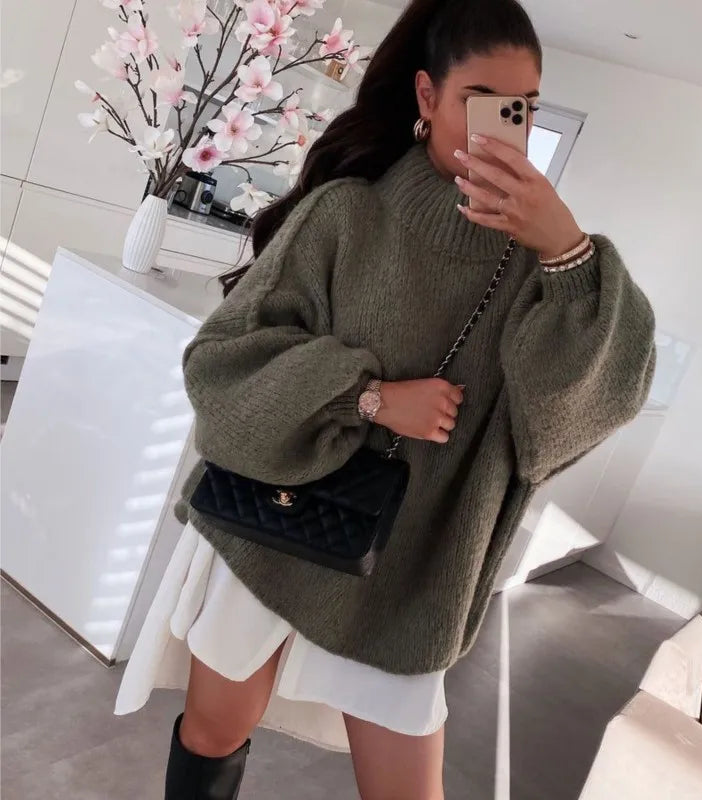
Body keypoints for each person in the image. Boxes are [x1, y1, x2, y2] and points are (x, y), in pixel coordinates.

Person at [114, 0, 657, 797]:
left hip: (415, 575)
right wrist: (365, 398)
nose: (503, 126)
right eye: (481, 100)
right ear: (427, 95)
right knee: (214, 734)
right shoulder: (346, 213)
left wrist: (569, 251)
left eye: (522, 108)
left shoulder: (543, 267)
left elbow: (573, 419)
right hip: (275, 531)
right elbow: (223, 366)